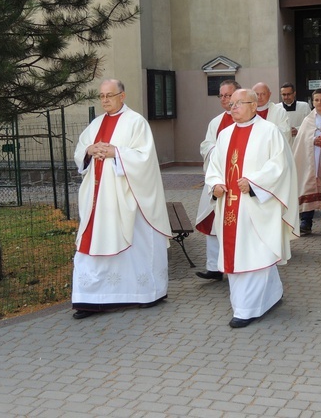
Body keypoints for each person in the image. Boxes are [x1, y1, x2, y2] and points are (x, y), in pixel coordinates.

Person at [71, 79, 172, 319]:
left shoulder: (136, 122)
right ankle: (90, 298)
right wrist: (89, 151)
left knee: (134, 242)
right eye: (102, 96)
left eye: (110, 95)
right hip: (98, 197)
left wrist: (115, 152)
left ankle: (146, 293)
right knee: (92, 240)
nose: (105, 100)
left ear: (122, 96)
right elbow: (80, 149)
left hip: (127, 196)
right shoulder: (96, 123)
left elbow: (145, 158)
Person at [205, 88, 298, 328]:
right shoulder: (224, 134)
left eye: (239, 103)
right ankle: (269, 295)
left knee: (254, 253)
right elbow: (214, 165)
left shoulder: (269, 132)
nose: (232, 107)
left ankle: (246, 309)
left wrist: (255, 183)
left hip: (256, 206)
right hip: (230, 207)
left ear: (254, 106)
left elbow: (279, 166)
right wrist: (214, 184)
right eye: (231, 103)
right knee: (240, 255)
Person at [194, 79, 241, 281]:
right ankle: (214, 267)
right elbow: (206, 145)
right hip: (217, 180)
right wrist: (215, 150)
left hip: (239, 182)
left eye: (228, 95)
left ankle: (237, 264)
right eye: (221, 95)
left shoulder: (249, 118)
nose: (224, 99)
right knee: (212, 222)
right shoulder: (216, 122)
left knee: (237, 225)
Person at [291, 89, 321, 235]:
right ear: (312, 102)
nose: (319, 103)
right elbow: (302, 139)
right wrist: (313, 140)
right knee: (308, 186)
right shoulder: (308, 119)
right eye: (316, 100)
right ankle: (306, 222)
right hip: (311, 157)